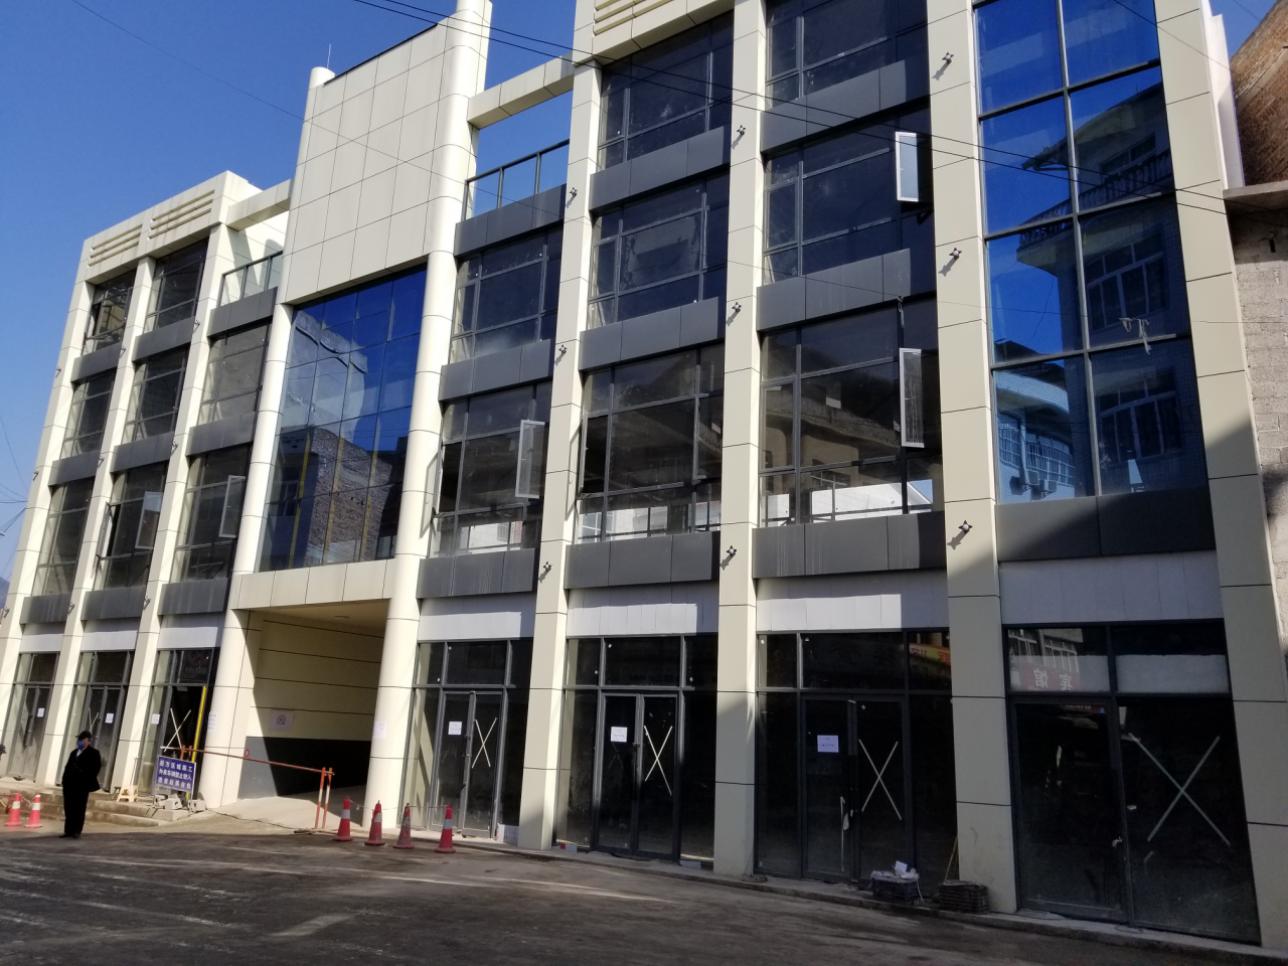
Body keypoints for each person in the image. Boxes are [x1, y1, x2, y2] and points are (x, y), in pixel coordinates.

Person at [60, 730, 101, 839]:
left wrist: (83, 775)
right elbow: (67, 767)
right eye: (79, 740)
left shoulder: (94, 753)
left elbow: (95, 769)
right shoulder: (74, 752)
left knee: (79, 808)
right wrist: (64, 781)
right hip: (69, 785)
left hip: (82, 786)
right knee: (69, 808)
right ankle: (68, 831)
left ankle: (77, 831)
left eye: (82, 740)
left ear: (88, 741)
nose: (79, 742)